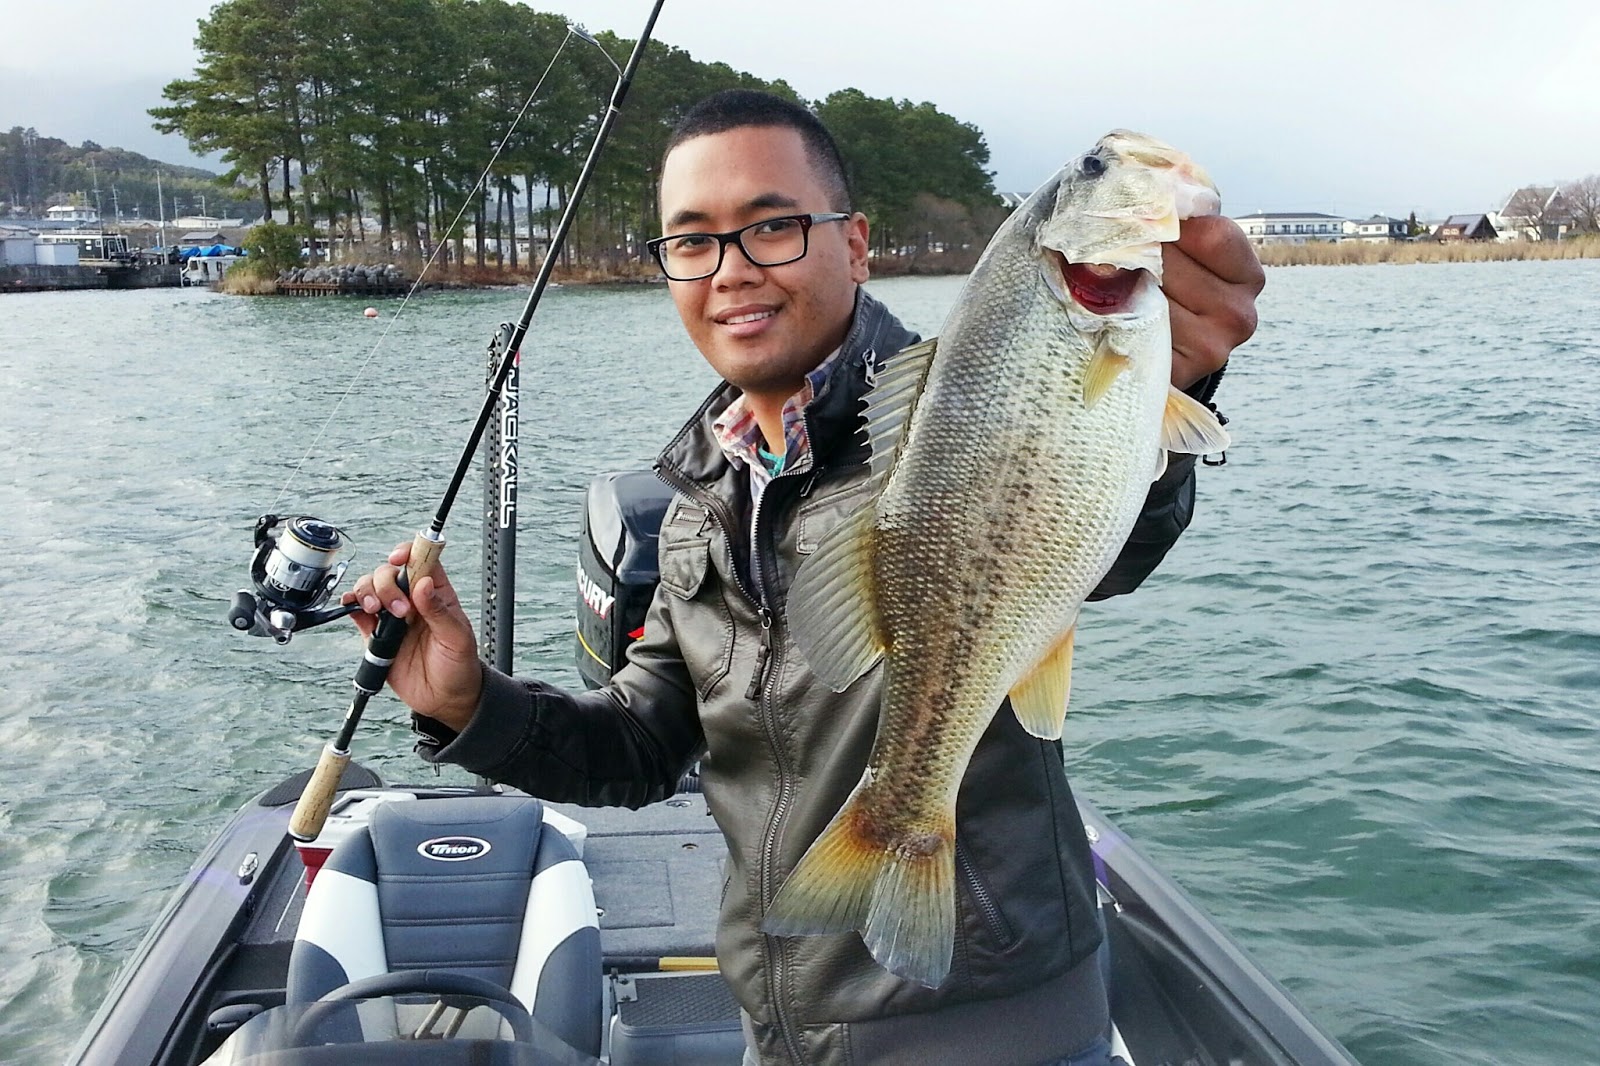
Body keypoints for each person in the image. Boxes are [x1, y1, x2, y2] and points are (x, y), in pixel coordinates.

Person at [347, 90, 1264, 1066]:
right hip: (781, 1039)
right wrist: (468, 703)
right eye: (691, 242)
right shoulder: (703, 499)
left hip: (996, 1035)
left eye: (772, 226)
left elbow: (1111, 532)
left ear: (855, 246)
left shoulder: (954, 415)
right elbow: (640, 743)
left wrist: (1180, 387)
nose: (732, 269)